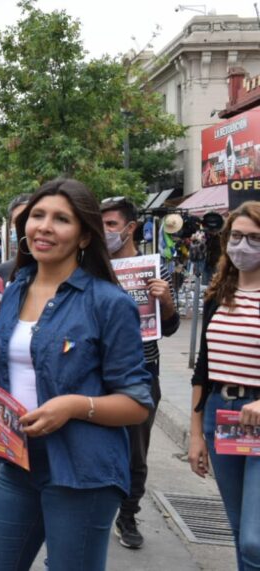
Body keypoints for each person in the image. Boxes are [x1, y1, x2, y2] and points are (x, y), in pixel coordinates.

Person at [0, 178, 154, 571]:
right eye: (38, 215)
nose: (45, 226)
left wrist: (71, 406)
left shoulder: (109, 303)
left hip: (82, 473)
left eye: (61, 219)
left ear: (85, 236)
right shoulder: (16, 288)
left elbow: (137, 403)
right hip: (18, 463)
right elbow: (10, 368)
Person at [100, 195, 180, 550]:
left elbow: (171, 328)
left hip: (142, 371)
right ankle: (93, 508)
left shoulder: (156, 269)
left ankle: (127, 515)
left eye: (111, 225)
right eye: (100, 224)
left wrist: (165, 301)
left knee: (136, 450)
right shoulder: (90, 267)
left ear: (130, 228)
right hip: (97, 370)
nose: (105, 231)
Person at [189, 201, 260, 570]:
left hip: (258, 415)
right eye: (236, 236)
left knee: (255, 538)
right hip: (221, 414)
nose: (242, 246)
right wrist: (196, 432)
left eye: (253, 238)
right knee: (238, 530)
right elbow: (203, 368)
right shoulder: (219, 294)